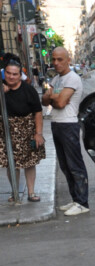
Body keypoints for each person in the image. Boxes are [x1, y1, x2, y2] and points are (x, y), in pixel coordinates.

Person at [43, 47, 87, 214]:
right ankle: (75, 199)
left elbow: (60, 104)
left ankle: (83, 203)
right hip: (57, 123)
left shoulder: (72, 79)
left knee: (75, 165)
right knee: (65, 166)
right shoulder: (56, 79)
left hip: (69, 124)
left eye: (60, 59)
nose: (56, 63)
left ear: (68, 60)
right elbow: (44, 100)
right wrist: (54, 97)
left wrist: (53, 97)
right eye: (54, 59)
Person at [0, 61, 44, 205]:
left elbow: (38, 112)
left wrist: (38, 133)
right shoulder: (1, 88)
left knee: (29, 162)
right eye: (8, 73)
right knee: (11, 163)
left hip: (27, 130)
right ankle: (15, 192)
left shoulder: (28, 90)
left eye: (15, 74)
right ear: (4, 73)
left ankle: (31, 192)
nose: (11, 77)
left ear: (20, 75)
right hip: (6, 131)